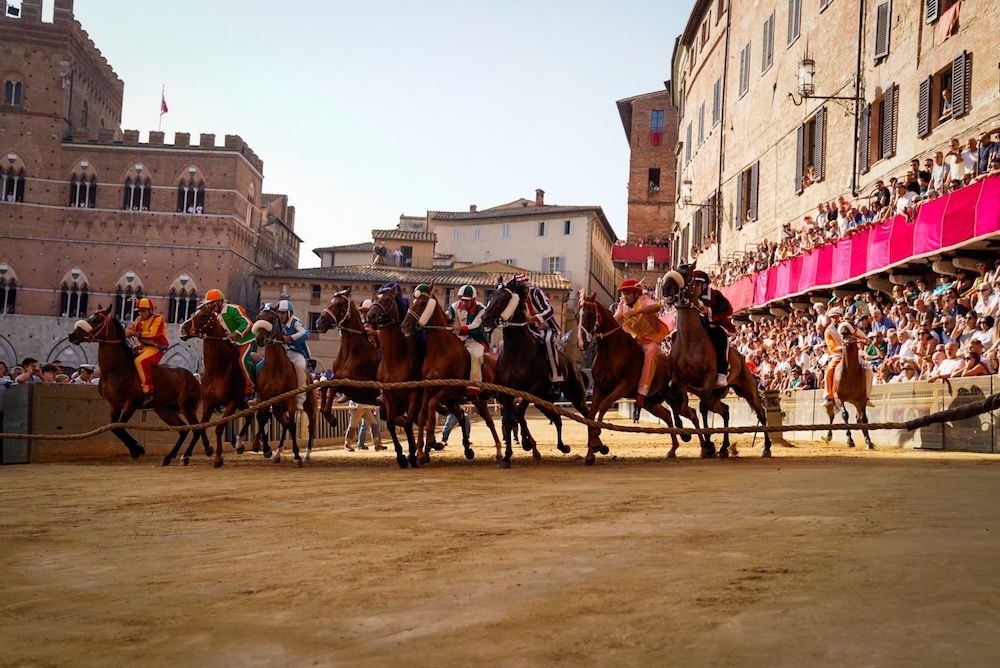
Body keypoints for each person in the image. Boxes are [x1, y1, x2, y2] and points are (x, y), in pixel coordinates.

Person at [613, 279, 670, 407]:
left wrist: (637, 311)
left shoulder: (644, 300)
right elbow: (615, 318)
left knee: (651, 353)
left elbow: (657, 306)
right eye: (624, 294)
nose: (625, 297)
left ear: (636, 294)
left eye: (628, 294)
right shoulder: (622, 304)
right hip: (632, 340)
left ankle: (642, 393)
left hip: (650, 340)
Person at [202, 289, 256, 402]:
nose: (210, 306)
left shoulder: (233, 309)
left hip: (244, 341)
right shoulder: (216, 316)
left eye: (211, 303)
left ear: (219, 302)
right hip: (232, 344)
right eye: (208, 304)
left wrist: (235, 333)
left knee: (242, 361)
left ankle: (250, 389)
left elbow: (247, 323)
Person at [515, 274, 563, 394]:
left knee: (547, 342)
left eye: (523, 289)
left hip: (548, 328)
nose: (522, 293)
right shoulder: (517, 299)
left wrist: (534, 318)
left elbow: (549, 310)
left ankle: (556, 379)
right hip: (531, 330)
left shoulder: (536, 293)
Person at [691, 270, 736, 387]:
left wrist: (709, 311)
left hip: (713, 325)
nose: (693, 287)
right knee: (676, 335)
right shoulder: (689, 297)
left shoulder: (715, 294)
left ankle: (722, 372)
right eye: (692, 284)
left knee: (721, 336)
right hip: (695, 328)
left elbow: (728, 309)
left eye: (696, 284)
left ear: (704, 285)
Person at [444, 284, 490, 396]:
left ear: (473, 300)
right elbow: (447, 317)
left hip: (475, 340)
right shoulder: (454, 307)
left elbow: (476, 327)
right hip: (457, 340)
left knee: (476, 356)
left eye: (467, 301)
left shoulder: (482, 310)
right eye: (462, 300)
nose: (464, 303)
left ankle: (474, 387)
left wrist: (459, 329)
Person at [123, 297, 169, 407]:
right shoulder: (138, 320)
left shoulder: (158, 319)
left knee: (140, 361)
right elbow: (132, 329)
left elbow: (153, 334)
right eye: (139, 311)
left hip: (155, 348)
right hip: (143, 348)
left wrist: (133, 334)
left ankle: (148, 391)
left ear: (150, 310)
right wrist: (126, 331)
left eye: (143, 311)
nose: (141, 313)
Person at [276, 299, 311, 411]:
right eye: (279, 313)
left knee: (300, 367)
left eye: (283, 313)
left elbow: (305, 333)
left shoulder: (295, 321)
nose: (280, 315)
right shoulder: (276, 323)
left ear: (289, 313)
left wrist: (290, 338)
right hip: (281, 353)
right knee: (261, 365)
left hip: (295, 352)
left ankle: (300, 398)